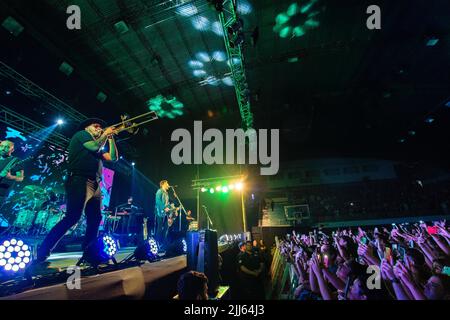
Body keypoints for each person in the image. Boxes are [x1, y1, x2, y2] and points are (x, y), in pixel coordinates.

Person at [31, 118, 118, 270]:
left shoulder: (98, 146)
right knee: (72, 218)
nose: (99, 128)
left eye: (101, 127)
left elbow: (113, 158)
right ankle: (42, 253)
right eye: (96, 126)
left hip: (95, 183)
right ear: (87, 128)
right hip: (79, 179)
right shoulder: (82, 135)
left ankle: (89, 254)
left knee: (95, 219)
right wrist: (105, 134)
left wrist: (111, 139)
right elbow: (94, 145)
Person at [154, 180, 171, 247]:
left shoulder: (166, 193)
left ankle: (163, 243)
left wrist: (170, 207)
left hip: (165, 212)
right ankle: (157, 243)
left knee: (166, 228)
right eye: (167, 183)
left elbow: (167, 203)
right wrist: (164, 208)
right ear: (163, 184)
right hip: (159, 211)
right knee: (160, 228)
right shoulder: (159, 191)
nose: (168, 185)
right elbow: (158, 201)